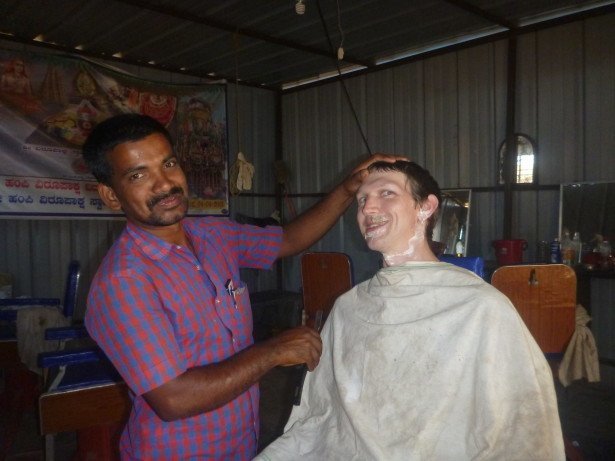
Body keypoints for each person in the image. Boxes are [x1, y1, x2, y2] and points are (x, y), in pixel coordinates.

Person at [81, 112, 401, 460]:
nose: (164, 184)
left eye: (168, 163)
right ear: (111, 196)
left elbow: (289, 240)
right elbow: (174, 398)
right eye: (138, 175)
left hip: (240, 444)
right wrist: (273, 351)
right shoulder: (123, 282)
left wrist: (347, 189)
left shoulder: (212, 235)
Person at [256, 160, 565, 460]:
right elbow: (322, 412)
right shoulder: (348, 306)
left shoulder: (481, 307)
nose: (367, 208)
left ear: (426, 207)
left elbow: (523, 429)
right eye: (362, 199)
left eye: (386, 193)